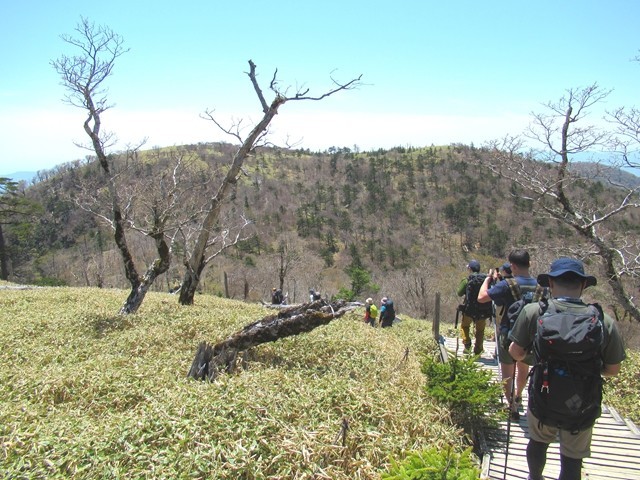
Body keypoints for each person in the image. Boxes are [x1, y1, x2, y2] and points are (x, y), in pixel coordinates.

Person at [509, 257, 626, 480]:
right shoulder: (603, 320)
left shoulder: (535, 312)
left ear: (551, 284)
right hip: (583, 400)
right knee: (572, 458)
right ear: (583, 285)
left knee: (538, 442)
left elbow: (516, 351)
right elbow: (613, 369)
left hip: (543, 394)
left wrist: (539, 360)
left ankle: (535, 477)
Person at [477, 249, 538, 420]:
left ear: (512, 266)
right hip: (531, 337)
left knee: (507, 372)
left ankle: (511, 405)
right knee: (523, 367)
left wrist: (488, 279)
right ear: (530, 264)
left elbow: (482, 297)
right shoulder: (541, 286)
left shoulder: (508, 284)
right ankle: (519, 394)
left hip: (509, 334)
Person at [456, 260, 491, 355]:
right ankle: (478, 349)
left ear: (470, 269)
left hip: (469, 310)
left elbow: (459, 293)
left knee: (464, 326)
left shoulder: (467, 280)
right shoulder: (486, 280)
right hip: (483, 310)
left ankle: (467, 342)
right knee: (480, 330)